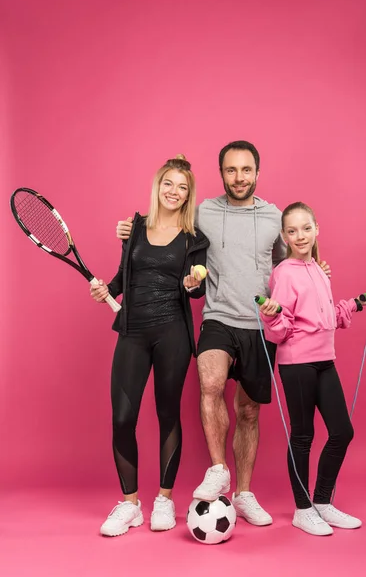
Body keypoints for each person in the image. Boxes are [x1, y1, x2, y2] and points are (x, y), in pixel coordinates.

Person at [116, 141, 332, 527]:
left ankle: (244, 493)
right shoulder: (204, 212)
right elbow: (167, 221)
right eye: (231, 170)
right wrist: (131, 230)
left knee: (248, 411)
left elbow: (293, 257)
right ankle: (218, 469)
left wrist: (317, 269)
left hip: (259, 324)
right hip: (216, 317)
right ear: (221, 174)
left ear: (257, 173)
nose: (239, 177)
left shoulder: (274, 216)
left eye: (246, 170)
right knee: (210, 383)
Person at [91, 155, 209, 537]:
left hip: (172, 333)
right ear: (158, 186)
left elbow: (199, 287)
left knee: (168, 416)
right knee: (122, 418)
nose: (174, 192)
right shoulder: (135, 227)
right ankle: (130, 505)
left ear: (189, 194)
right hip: (132, 331)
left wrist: (193, 285)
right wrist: (104, 290)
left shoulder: (194, 238)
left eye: (182, 187)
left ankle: (164, 498)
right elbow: (122, 279)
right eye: (169, 184)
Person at [258, 201, 366, 536]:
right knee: (303, 435)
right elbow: (280, 331)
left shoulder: (318, 270)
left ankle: (322, 503)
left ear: (316, 228)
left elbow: (326, 318)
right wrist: (270, 314)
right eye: (292, 231)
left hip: (325, 361)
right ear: (284, 235)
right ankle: (302, 509)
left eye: (306, 228)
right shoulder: (283, 273)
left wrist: (356, 302)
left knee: (342, 432)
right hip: (297, 364)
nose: (300, 236)